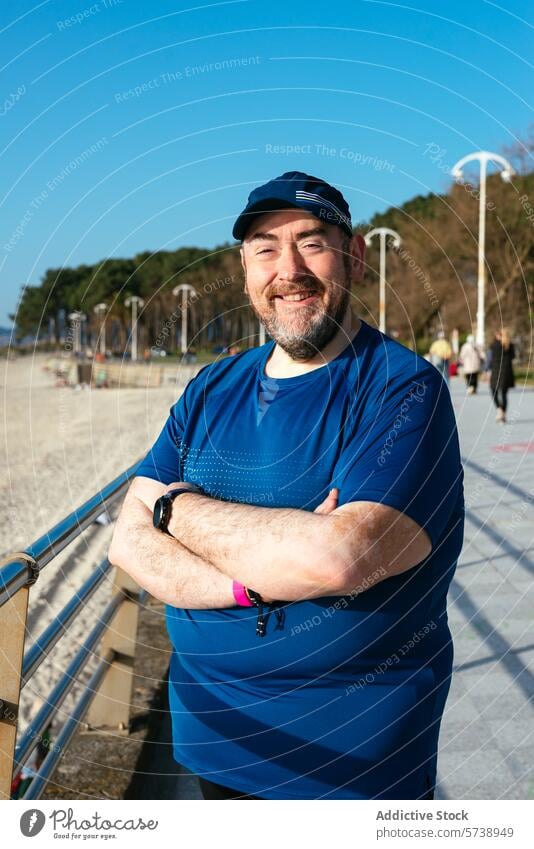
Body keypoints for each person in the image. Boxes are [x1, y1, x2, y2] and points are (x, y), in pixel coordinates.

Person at [109, 171, 464, 801]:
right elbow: (127, 545)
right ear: (245, 268)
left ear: (354, 257)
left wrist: (175, 506)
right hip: (215, 742)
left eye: (312, 242)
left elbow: (337, 557)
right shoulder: (210, 390)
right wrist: (256, 578)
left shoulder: (404, 391)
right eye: (266, 249)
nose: (289, 268)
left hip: (351, 767)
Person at [487, 328, 515, 423]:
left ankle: (499, 410)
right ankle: (503, 413)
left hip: (496, 372)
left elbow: (489, 359)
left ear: (498, 335)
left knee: (493, 390)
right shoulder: (510, 346)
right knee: (503, 394)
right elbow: (513, 357)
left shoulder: (494, 345)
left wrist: (486, 370)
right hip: (507, 372)